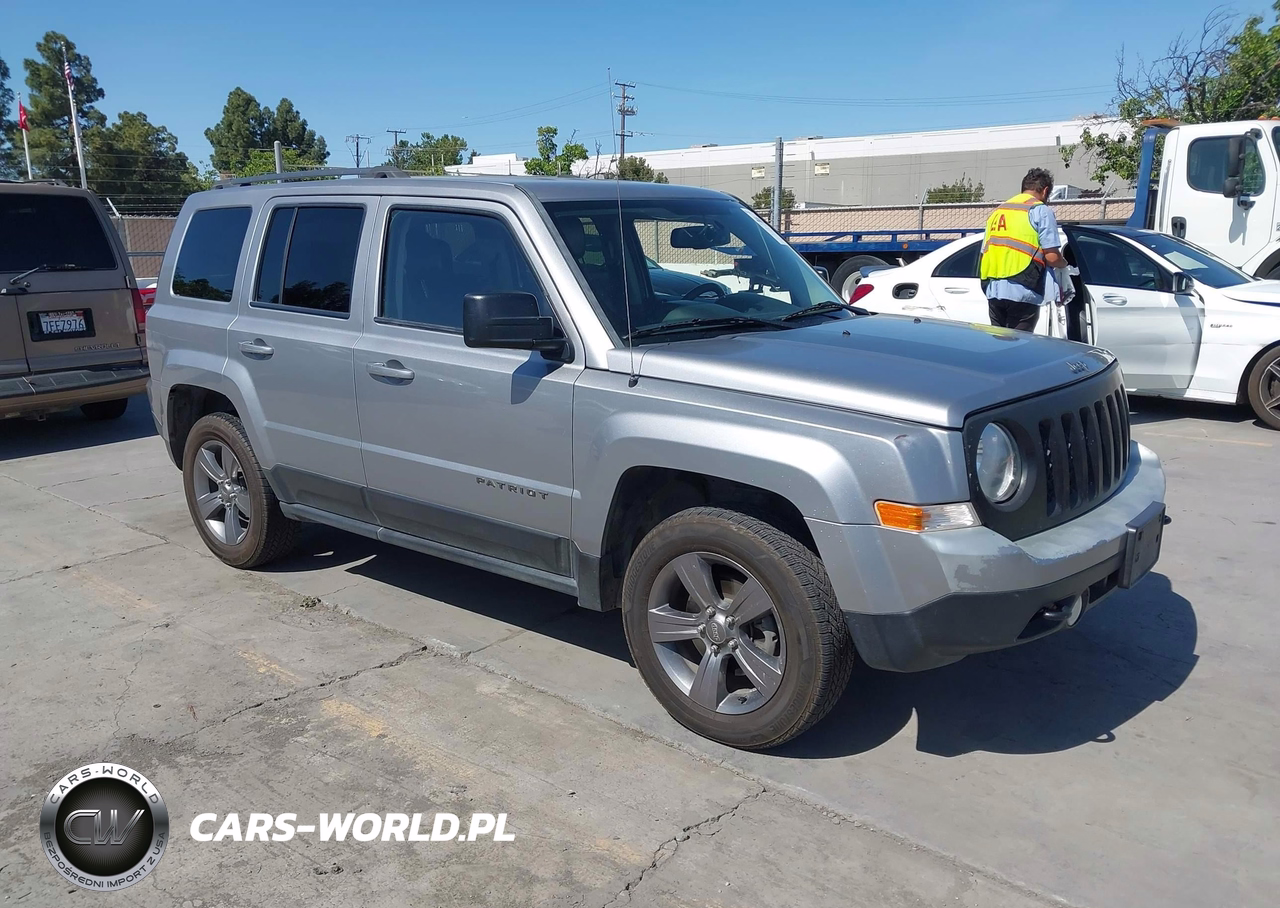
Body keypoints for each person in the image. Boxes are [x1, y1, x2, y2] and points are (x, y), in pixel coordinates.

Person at [978, 168, 1065, 332]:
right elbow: (1052, 258)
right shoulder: (1040, 211)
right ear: (1045, 191)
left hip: (994, 289)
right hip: (1023, 289)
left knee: (1000, 347)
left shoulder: (998, 212)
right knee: (1018, 349)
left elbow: (985, 251)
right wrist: (1065, 264)